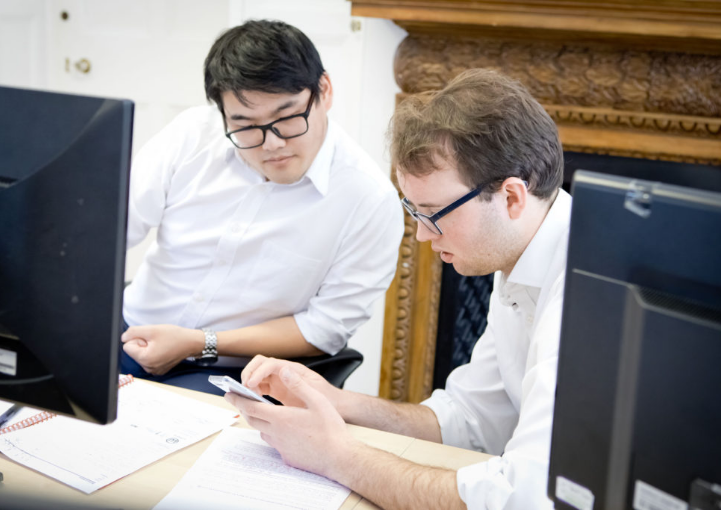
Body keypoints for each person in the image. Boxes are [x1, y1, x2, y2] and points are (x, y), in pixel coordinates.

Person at [226, 68, 570, 509]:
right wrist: (339, 403)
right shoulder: (519, 260)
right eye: (413, 210)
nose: (424, 236)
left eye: (434, 212)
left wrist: (336, 455)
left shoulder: (583, 298)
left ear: (512, 197)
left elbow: (517, 500)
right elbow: (469, 420)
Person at [120, 20, 403, 391]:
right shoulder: (191, 134)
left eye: (286, 118)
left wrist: (199, 342)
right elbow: (111, 230)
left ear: (324, 91)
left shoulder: (369, 200)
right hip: (127, 332)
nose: (271, 143)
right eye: (246, 125)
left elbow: (323, 330)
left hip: (232, 371)